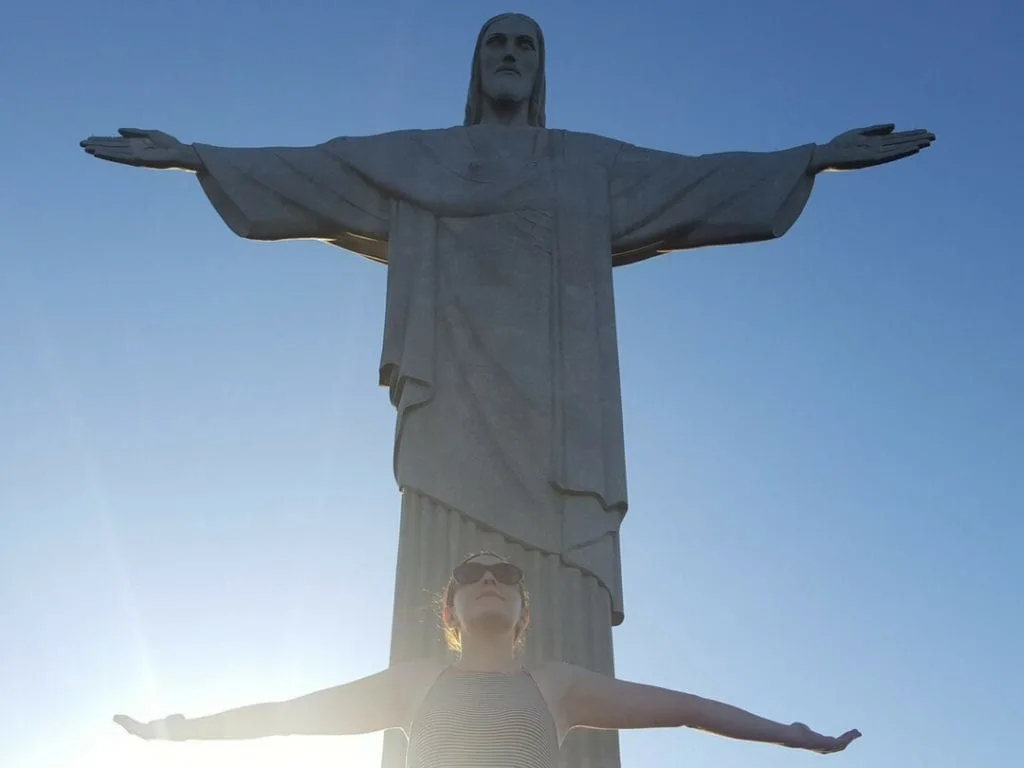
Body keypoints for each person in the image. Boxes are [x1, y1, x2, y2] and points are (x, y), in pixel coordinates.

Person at [115, 552, 861, 766]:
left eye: (506, 576)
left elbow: (689, 711)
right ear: (450, 613)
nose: (489, 583)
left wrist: (794, 735)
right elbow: (288, 718)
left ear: (524, 613)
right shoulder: (416, 684)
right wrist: (179, 730)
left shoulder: (559, 686)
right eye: (470, 577)